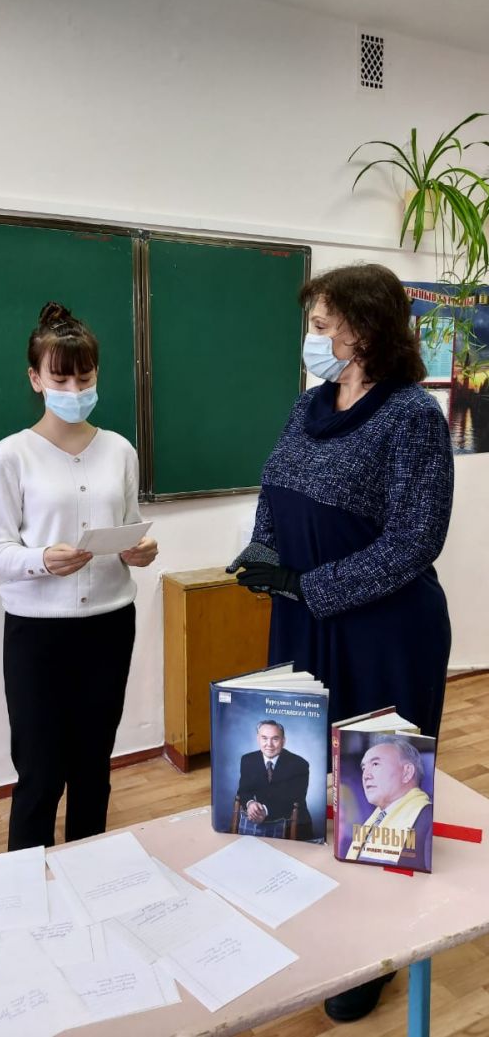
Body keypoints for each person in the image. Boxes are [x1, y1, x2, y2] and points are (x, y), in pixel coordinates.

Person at [227, 263, 453, 1022]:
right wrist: (263, 555)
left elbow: (416, 539)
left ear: (364, 330)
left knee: (374, 788)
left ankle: (376, 952)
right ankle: (321, 923)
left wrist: (311, 584)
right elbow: (276, 489)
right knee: (306, 779)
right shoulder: (310, 405)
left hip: (383, 632)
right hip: (302, 619)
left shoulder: (412, 415)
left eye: (323, 325)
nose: (313, 338)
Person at [0, 301, 158, 852]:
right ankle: (27, 879)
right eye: (60, 378)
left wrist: (138, 551)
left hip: (109, 623)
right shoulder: (11, 455)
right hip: (38, 630)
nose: (74, 389)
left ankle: (90, 872)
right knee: (39, 769)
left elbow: (129, 527)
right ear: (35, 379)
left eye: (85, 377)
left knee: (93, 765)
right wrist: (42, 559)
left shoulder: (120, 450)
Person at [344, 735, 432, 871]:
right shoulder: (373, 821)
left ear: (407, 772)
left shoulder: (427, 819)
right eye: (363, 768)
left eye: (375, 764)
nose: (366, 776)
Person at [236, 720, 313, 840]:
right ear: (258, 739)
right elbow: (243, 791)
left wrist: (265, 811)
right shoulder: (248, 760)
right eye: (264, 738)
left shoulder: (299, 764)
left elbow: (295, 798)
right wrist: (250, 804)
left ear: (283, 741)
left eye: (275, 739)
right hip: (258, 826)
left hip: (293, 827)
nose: (269, 744)